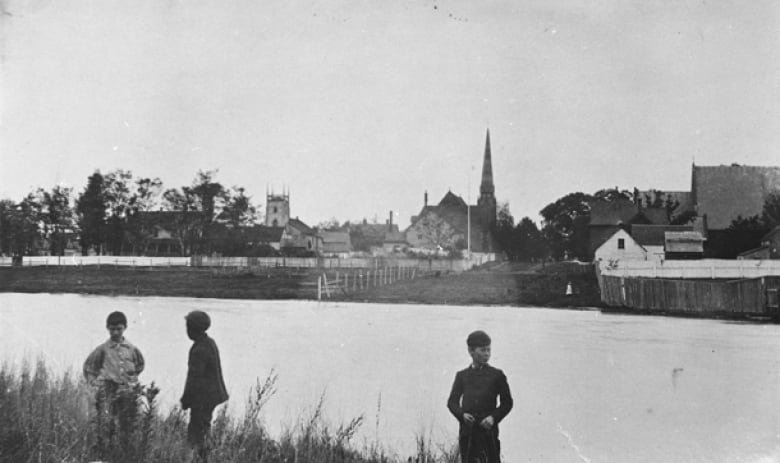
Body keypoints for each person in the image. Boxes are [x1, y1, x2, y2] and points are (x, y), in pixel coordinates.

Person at [83, 311, 145, 453]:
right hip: (108, 389)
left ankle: (124, 451)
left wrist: (130, 379)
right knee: (106, 421)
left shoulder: (132, 349)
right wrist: (95, 384)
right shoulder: (103, 349)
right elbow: (89, 367)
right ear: (107, 328)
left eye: (119, 328)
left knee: (127, 421)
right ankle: (105, 450)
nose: (115, 332)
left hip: (126, 390)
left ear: (125, 328)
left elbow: (139, 365)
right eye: (112, 329)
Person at [447, 330, 513, 463]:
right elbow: (452, 402)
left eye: (489, 350)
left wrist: (493, 418)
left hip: (489, 434)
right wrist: (462, 415)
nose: (487, 354)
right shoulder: (462, 376)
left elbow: (507, 403)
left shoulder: (497, 375)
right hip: (468, 434)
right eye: (483, 350)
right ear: (471, 351)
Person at [180, 310, 229, 462]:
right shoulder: (209, 342)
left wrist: (186, 400)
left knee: (195, 432)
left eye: (187, 327)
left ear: (192, 329)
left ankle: (196, 459)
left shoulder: (198, 349)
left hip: (202, 398)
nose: (186, 330)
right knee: (204, 428)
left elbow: (194, 378)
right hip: (212, 396)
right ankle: (203, 457)